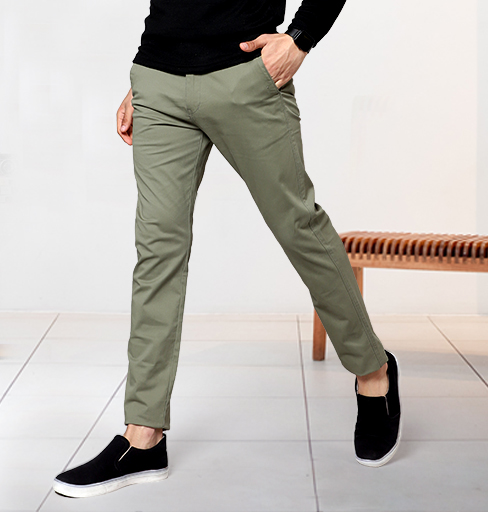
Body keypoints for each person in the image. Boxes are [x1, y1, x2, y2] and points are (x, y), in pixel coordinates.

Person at [53, 0, 402, 498]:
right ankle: (143, 436)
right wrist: (146, 78)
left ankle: (374, 374)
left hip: (246, 76)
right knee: (157, 250)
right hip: (159, 80)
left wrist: (301, 37)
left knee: (299, 228)